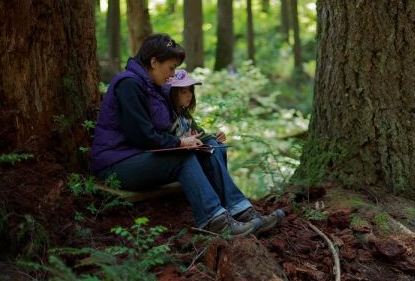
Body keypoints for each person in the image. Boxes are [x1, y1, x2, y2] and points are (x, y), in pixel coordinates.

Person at [90, 33, 280, 238]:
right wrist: (180, 142)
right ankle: (215, 222)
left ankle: (241, 211)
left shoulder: (154, 86)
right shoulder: (129, 85)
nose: (173, 74)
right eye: (171, 67)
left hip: (140, 157)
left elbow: (175, 120)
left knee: (211, 148)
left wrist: (199, 138)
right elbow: (142, 136)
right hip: (117, 164)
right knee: (183, 156)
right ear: (154, 62)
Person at [163, 69, 283, 235]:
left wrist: (214, 136)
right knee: (208, 148)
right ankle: (223, 218)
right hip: (175, 161)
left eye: (191, 90)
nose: (189, 94)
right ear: (171, 92)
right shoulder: (165, 114)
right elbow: (163, 139)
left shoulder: (185, 114)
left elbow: (200, 134)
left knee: (214, 145)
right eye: (183, 91)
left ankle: (242, 211)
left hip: (190, 157)